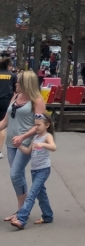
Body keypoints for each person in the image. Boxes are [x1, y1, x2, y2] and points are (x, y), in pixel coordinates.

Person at [1, 70, 46, 218]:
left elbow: (40, 125)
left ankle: (23, 211)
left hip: (26, 143)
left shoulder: (37, 100)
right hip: (11, 142)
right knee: (17, 175)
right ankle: (24, 210)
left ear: (26, 83)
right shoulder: (15, 97)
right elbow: (5, 121)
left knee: (15, 174)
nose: (15, 83)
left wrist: (23, 136)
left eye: (18, 81)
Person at [9, 112, 56, 229]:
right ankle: (48, 215)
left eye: (39, 125)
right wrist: (18, 145)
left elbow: (54, 147)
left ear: (47, 125)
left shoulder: (47, 136)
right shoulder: (35, 137)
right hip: (34, 170)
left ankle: (21, 219)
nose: (36, 127)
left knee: (32, 194)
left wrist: (43, 144)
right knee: (41, 194)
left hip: (43, 170)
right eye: (35, 125)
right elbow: (27, 151)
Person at [0, 56, 17, 159]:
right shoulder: (13, 76)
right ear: (9, 66)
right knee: (2, 127)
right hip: (5, 102)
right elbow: (16, 90)